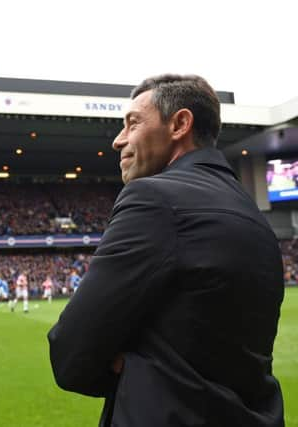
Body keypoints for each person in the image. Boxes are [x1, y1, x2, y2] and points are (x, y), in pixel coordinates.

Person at [48, 74, 285, 427]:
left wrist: (139, 371)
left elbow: (70, 354)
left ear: (179, 124)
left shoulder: (153, 198)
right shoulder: (255, 215)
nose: (118, 140)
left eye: (133, 123)